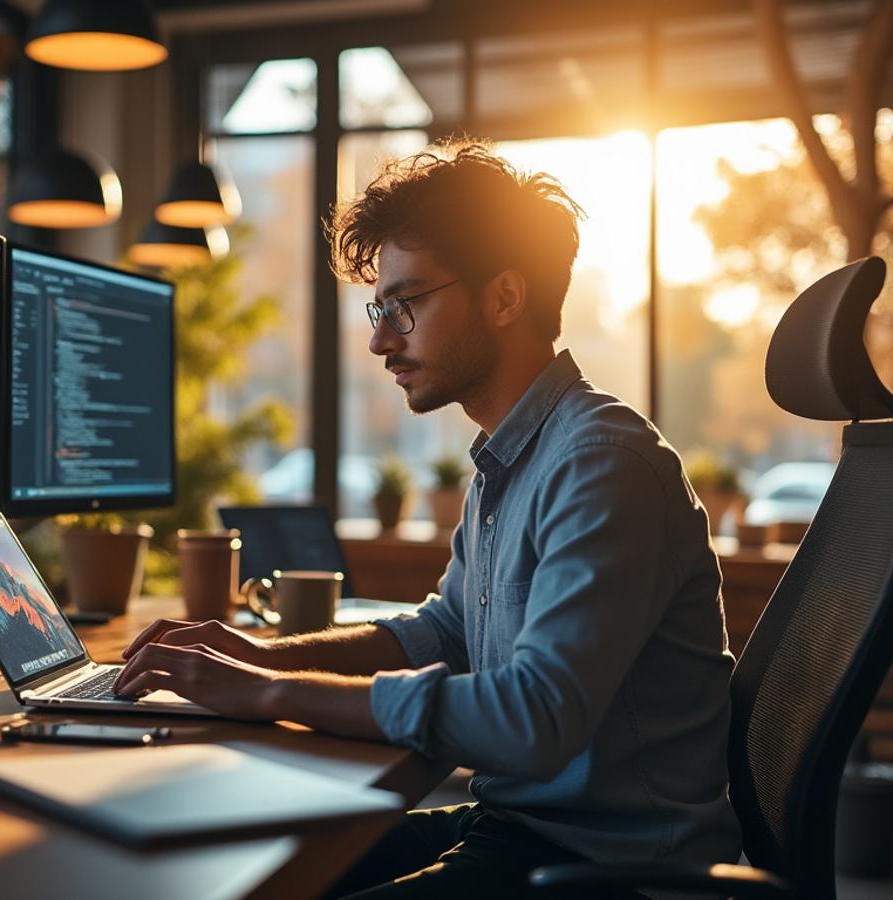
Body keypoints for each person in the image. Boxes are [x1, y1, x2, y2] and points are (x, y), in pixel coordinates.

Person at [114, 141, 742, 897]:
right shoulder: (511, 460)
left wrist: (270, 694)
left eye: (405, 305)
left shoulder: (603, 463)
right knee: (235, 866)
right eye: (382, 310)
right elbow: (444, 633)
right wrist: (263, 657)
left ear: (504, 297)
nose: (382, 339)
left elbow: (532, 717)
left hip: (612, 871)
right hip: (520, 828)